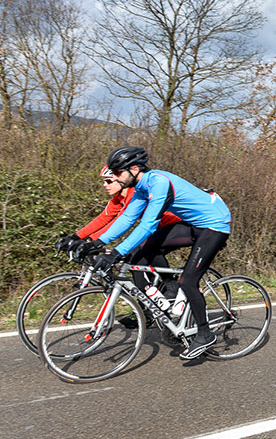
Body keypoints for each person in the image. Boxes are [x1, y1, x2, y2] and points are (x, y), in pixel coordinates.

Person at [83, 146, 232, 360]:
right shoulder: (142, 186)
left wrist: (115, 253)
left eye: (117, 173)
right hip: (193, 224)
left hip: (214, 226)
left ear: (133, 169)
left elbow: (147, 225)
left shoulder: (159, 183)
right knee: (146, 249)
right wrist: (96, 242)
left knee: (188, 281)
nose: (114, 177)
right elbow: (126, 219)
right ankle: (170, 294)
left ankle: (205, 334)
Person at [56, 166, 180, 254]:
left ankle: (170, 287)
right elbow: (102, 219)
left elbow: (119, 221)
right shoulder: (118, 198)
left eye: (109, 181)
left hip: (175, 224)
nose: (105, 185)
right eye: (104, 181)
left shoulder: (134, 194)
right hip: (158, 228)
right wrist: (76, 237)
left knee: (136, 254)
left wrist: (91, 241)